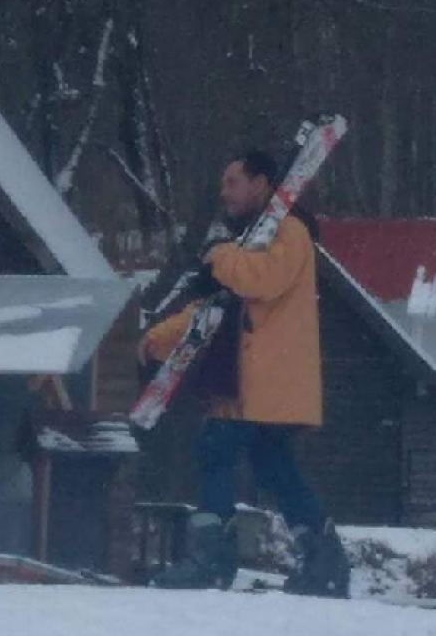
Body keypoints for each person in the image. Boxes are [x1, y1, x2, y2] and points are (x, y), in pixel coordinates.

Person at [137, 150, 349, 597]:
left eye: (232, 181)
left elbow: (260, 281)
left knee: (214, 451)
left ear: (261, 184)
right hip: (259, 384)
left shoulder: (289, 232)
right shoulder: (247, 243)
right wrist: (160, 337)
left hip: (262, 381)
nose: (224, 191)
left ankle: (214, 558)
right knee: (275, 468)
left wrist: (219, 255)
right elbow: (218, 306)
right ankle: (322, 557)